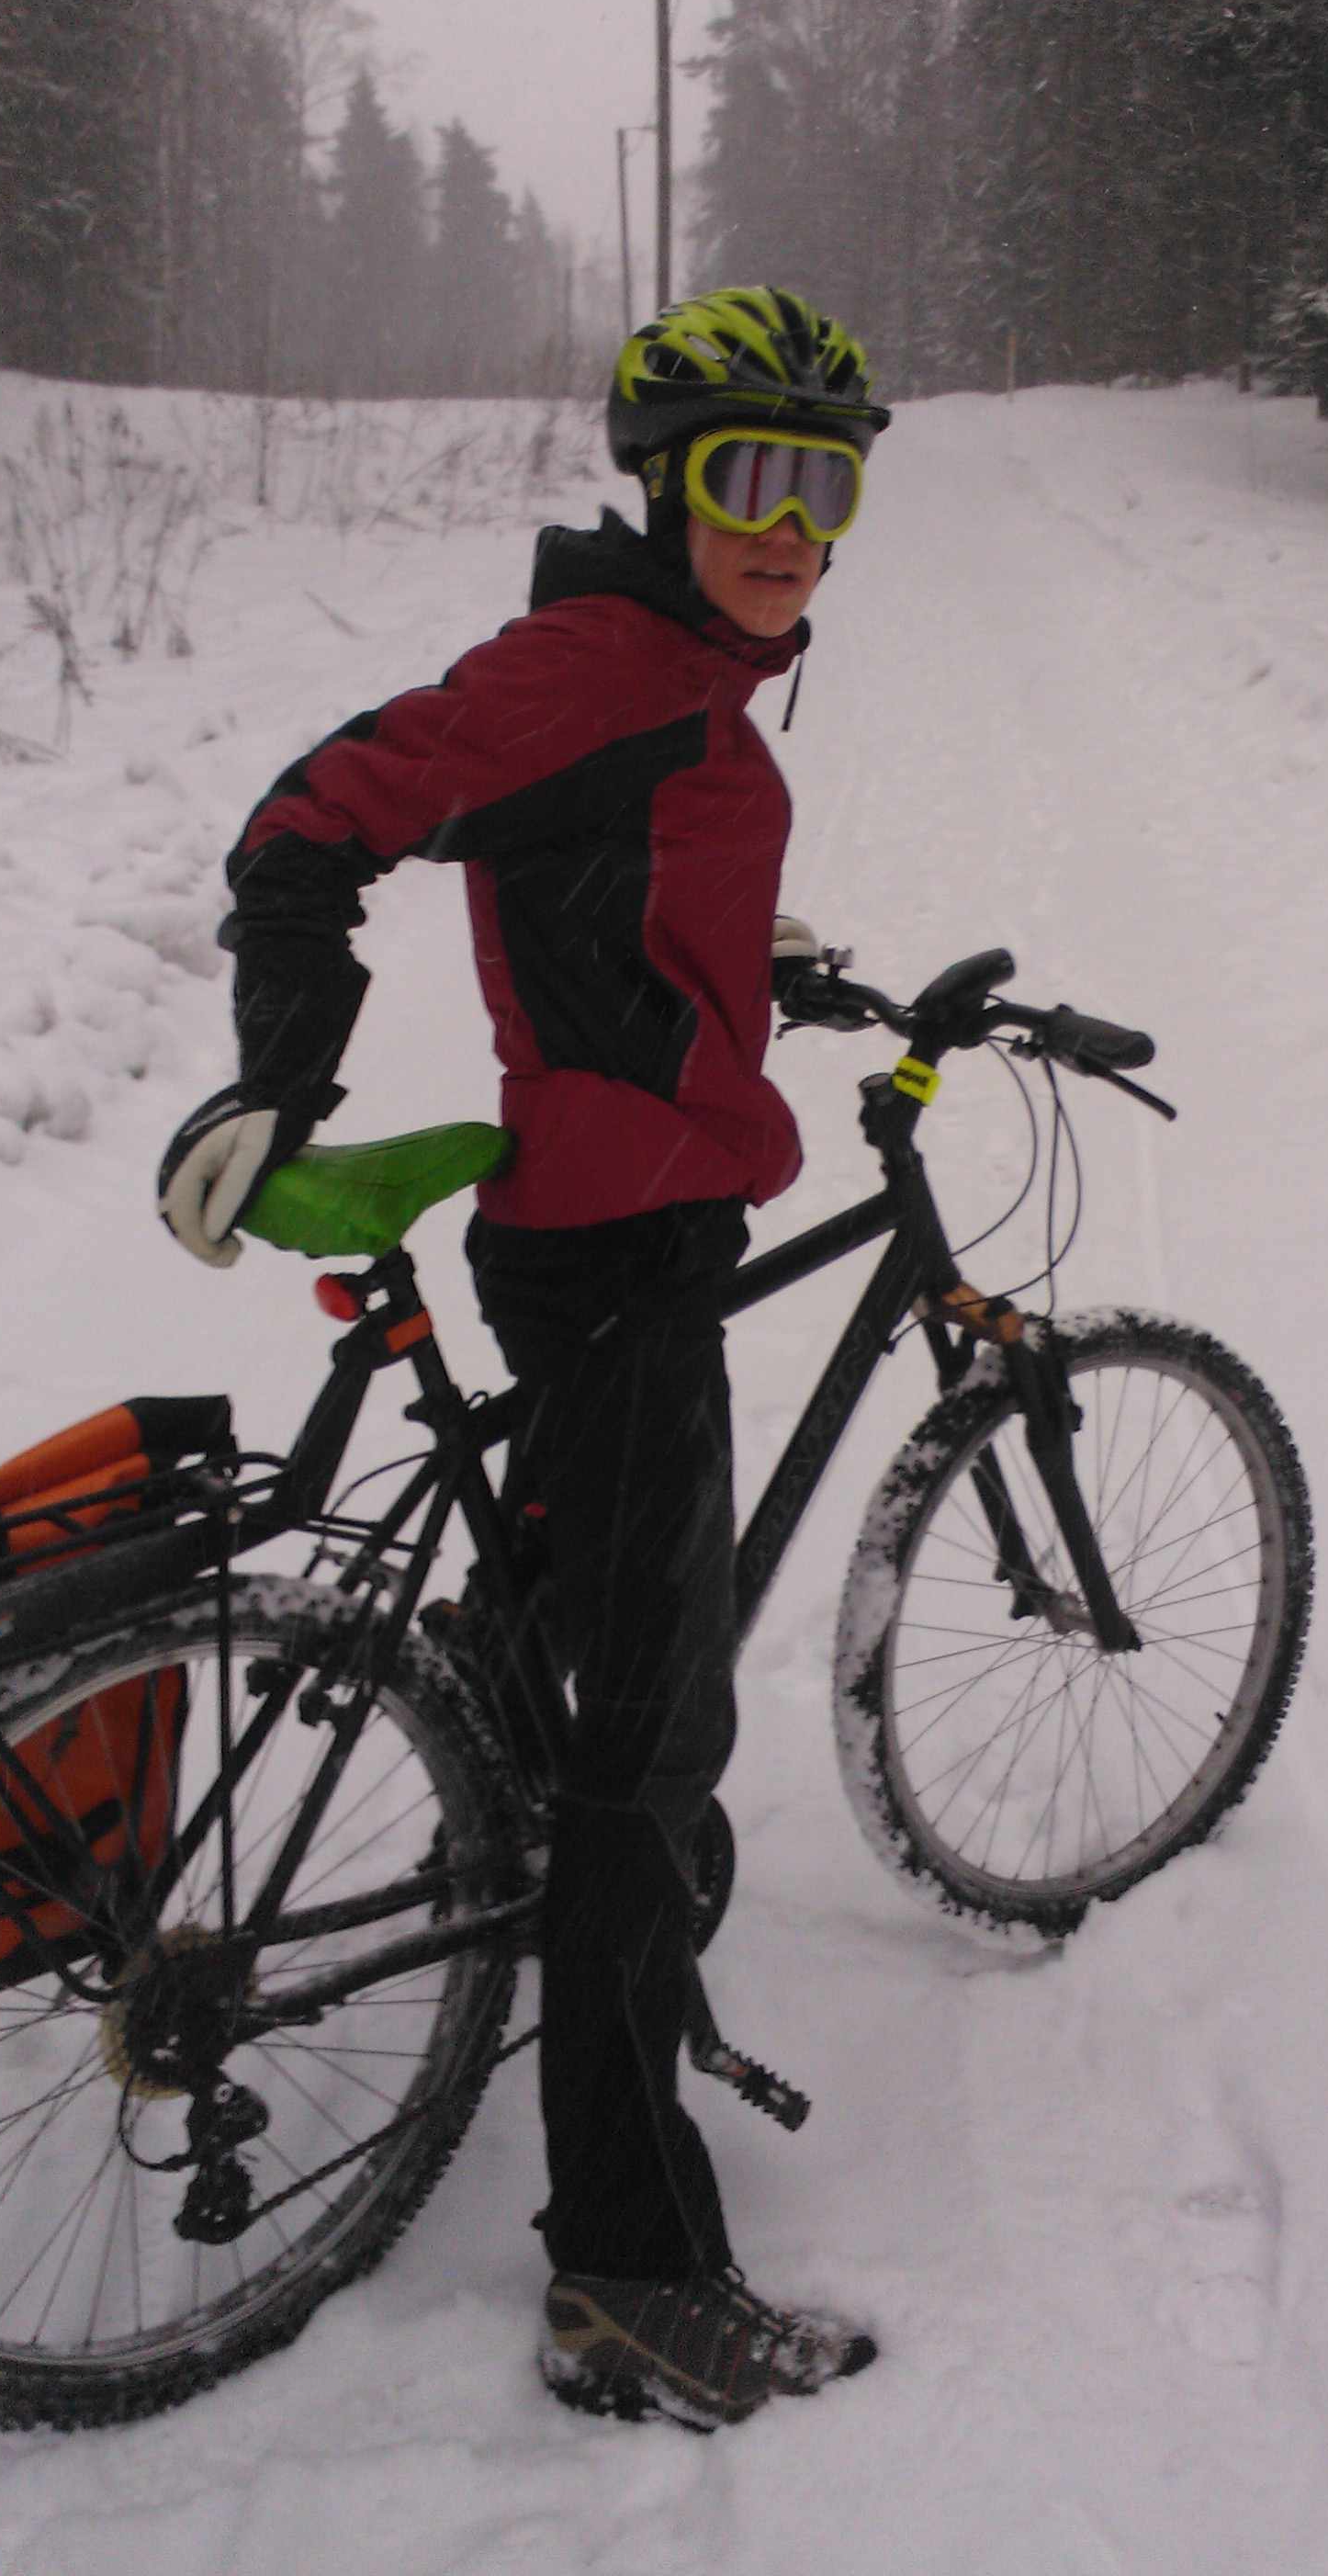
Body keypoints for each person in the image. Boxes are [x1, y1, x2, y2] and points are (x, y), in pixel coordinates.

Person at [157, 286, 889, 2431]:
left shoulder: (679, 674)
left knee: (568, 1643)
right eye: (751, 478)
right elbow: (316, 821)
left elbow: (609, 884)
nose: (793, 523)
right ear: (665, 488)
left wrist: (753, 990)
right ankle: (634, 2281)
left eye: (827, 484)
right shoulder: (595, 667)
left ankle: (512, 1885)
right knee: (645, 1775)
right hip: (616, 1250)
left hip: (622, 1209)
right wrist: (276, 1077)